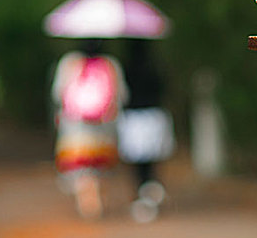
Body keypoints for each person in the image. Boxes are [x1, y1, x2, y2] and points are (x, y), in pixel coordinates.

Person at [51, 39, 128, 219]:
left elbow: (58, 94)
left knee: (80, 166)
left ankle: (87, 202)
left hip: (75, 126)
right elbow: (122, 95)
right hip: (104, 125)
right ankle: (98, 197)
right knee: (101, 164)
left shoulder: (68, 63)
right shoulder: (111, 64)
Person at [117, 39, 175, 223]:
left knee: (138, 165)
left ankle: (143, 199)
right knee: (151, 164)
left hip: (133, 121)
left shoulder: (125, 70)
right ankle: (150, 195)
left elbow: (122, 95)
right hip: (154, 119)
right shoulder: (155, 69)